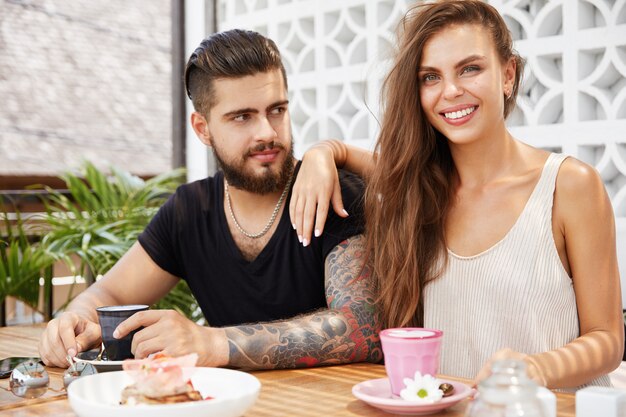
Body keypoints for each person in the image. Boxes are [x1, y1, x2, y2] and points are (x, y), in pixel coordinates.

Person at [290, 0, 623, 390]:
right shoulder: (418, 189)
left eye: (470, 69)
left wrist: (533, 369)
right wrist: (322, 152)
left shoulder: (570, 186)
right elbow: (354, 157)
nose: (450, 91)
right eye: (430, 77)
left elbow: (607, 339)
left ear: (508, 74)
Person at [39, 29, 382, 370]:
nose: (267, 132)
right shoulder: (189, 211)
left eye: (277, 110)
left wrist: (213, 342)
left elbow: (361, 327)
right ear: (203, 129)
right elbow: (108, 295)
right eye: (242, 117)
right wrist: (73, 322)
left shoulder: (336, 192)